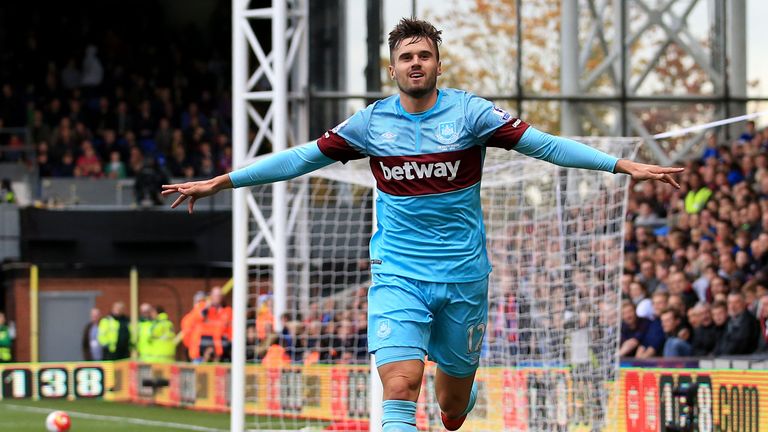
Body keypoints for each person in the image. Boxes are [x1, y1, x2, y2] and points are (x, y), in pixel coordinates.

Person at [162, 18, 682, 431]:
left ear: (438, 63)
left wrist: (622, 165)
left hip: (463, 277)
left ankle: (459, 398)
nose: (415, 63)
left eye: (424, 55)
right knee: (400, 388)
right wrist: (222, 182)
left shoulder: (471, 115)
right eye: (406, 57)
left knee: (452, 411)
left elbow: (546, 145)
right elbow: (301, 158)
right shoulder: (371, 123)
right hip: (398, 274)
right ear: (392, 69)